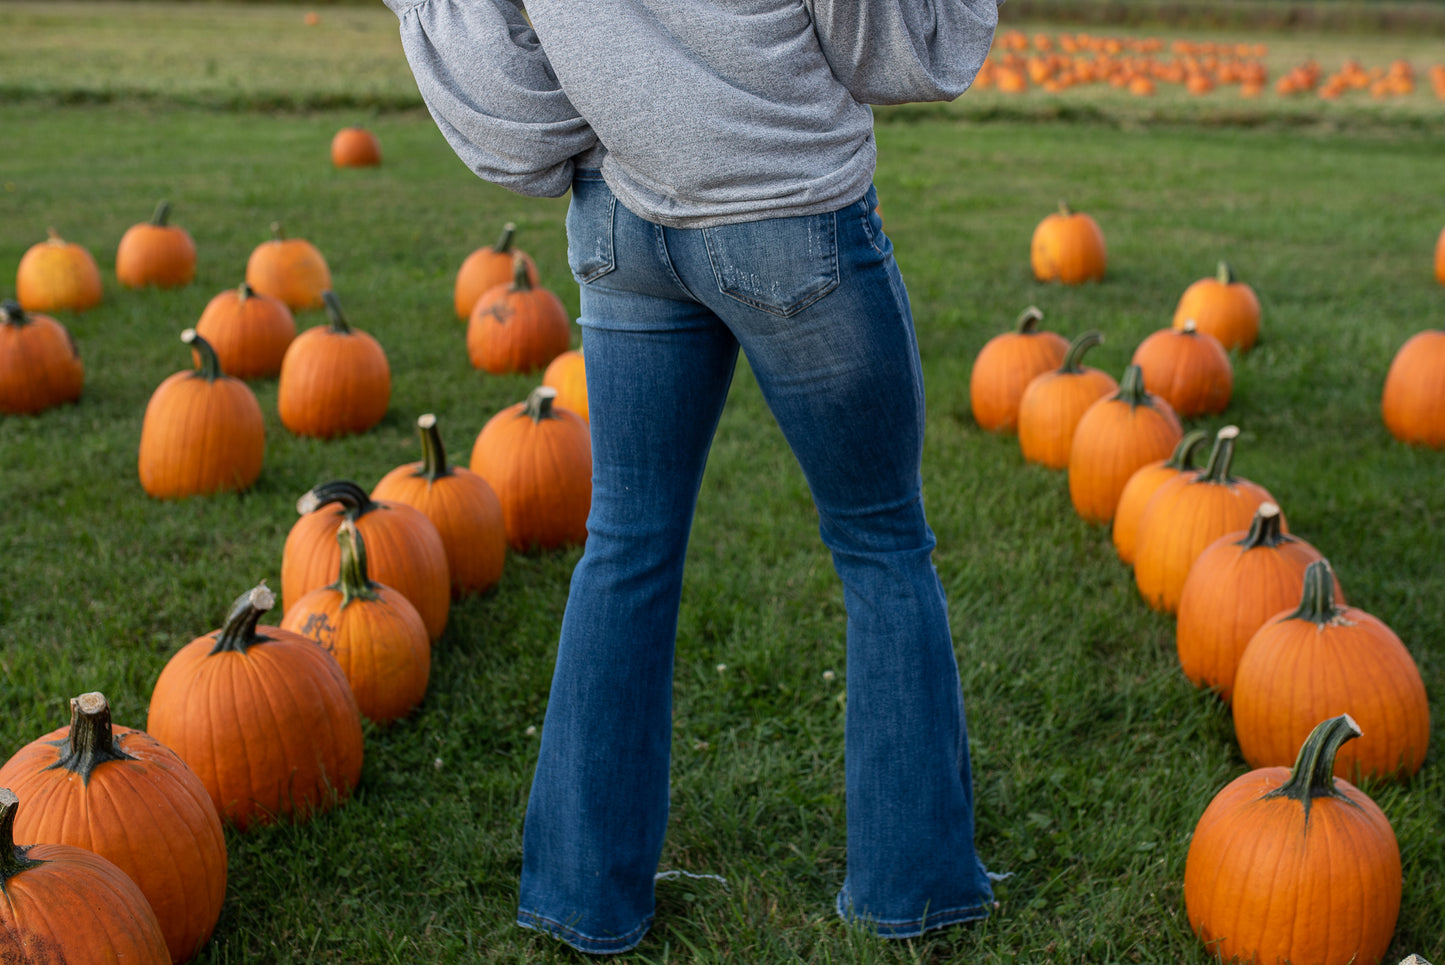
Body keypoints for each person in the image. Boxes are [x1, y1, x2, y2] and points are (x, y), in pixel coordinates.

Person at [384, 0, 1003, 954]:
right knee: (883, 543)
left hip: (619, 228)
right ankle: (911, 890)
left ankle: (583, 895)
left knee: (624, 549)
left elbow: (512, 92)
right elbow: (888, 53)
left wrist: (627, 94)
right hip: (789, 214)